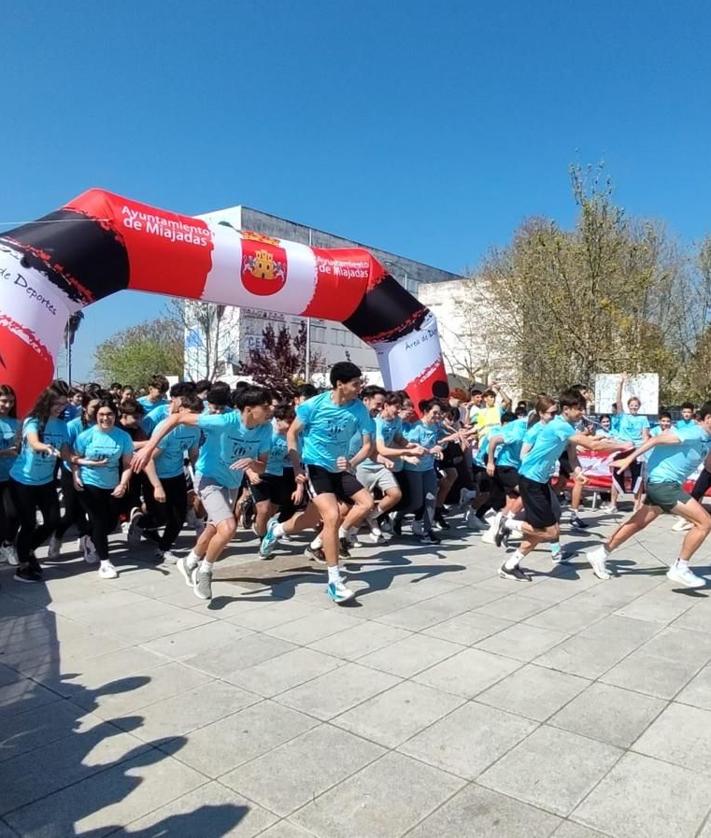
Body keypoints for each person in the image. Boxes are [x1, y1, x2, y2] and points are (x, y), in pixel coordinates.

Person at [132, 385, 273, 601]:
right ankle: (205, 570)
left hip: (232, 482)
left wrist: (253, 463)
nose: (271, 409)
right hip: (208, 478)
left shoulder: (265, 429)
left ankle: (188, 563)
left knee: (214, 528)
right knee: (228, 527)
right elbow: (176, 418)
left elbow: (263, 465)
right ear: (248, 409)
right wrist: (149, 448)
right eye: (265, 406)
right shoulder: (224, 421)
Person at [493, 389, 629, 581]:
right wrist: (623, 445)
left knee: (541, 529)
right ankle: (506, 522)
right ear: (567, 410)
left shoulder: (566, 429)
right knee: (550, 531)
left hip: (539, 481)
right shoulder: (559, 426)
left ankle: (509, 566)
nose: (582, 412)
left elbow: (574, 457)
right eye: (579, 409)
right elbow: (594, 446)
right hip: (530, 480)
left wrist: (578, 473)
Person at [586, 403, 711, 588]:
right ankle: (680, 568)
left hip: (665, 484)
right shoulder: (693, 433)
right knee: (704, 522)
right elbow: (655, 440)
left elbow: (709, 467)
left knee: (638, 522)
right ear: (708, 419)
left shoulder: (707, 440)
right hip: (663, 484)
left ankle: (600, 554)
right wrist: (629, 458)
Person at [282, 362, 375, 604]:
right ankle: (334, 581)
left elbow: (368, 446)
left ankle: (279, 530)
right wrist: (296, 466)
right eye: (355, 384)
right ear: (339, 384)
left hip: (340, 468)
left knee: (366, 502)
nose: (359, 388)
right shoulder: (313, 406)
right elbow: (292, 434)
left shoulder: (359, 410)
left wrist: (352, 462)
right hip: (316, 467)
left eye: (360, 383)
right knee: (331, 516)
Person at [9, 382, 75, 582]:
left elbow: (65, 453)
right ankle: (23, 566)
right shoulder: (34, 420)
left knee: (53, 520)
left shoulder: (62, 425)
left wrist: (81, 460)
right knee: (28, 523)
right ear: (47, 401)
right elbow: (33, 441)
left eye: (63, 404)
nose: (59, 407)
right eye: (56, 403)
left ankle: (27, 550)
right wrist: (45, 448)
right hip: (23, 480)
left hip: (45, 481)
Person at [136, 392, 202, 562]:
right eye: (191, 413)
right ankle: (139, 524)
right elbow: (148, 458)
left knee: (178, 517)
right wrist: (157, 486)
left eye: (198, 413)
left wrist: (200, 477)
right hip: (155, 477)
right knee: (160, 517)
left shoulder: (195, 428)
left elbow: (194, 454)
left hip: (176, 475)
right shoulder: (167, 429)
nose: (195, 417)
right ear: (181, 411)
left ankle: (163, 549)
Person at [74, 399, 135, 579]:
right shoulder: (86, 436)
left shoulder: (123, 437)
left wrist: (123, 484)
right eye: (101, 414)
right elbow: (75, 459)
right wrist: (75, 476)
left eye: (109, 414)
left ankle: (89, 539)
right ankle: (105, 563)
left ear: (115, 416)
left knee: (110, 523)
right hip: (89, 483)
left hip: (112, 484)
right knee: (99, 521)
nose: (105, 418)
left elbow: (127, 465)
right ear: (95, 416)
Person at [608, 375, 650, 512]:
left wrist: (642, 450)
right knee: (616, 475)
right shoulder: (623, 416)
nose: (633, 407)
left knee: (637, 477)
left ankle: (636, 505)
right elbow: (618, 401)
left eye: (636, 406)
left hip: (636, 450)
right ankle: (613, 504)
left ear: (639, 407)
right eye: (631, 405)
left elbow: (645, 436)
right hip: (622, 449)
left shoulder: (643, 419)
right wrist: (621, 383)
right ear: (628, 406)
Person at [0, 385, 20, 565]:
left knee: (13, 514)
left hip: (12, 476)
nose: (7, 405)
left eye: (11, 401)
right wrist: (5, 452)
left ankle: (8, 543)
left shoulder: (17, 423)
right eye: (4, 401)